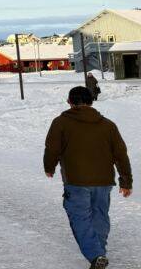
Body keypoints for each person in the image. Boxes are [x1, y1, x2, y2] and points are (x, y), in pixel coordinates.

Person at [44, 86, 132, 269]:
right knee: (100, 216)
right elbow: (121, 154)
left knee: (80, 217)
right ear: (92, 102)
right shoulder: (108, 125)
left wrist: (49, 167)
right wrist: (126, 181)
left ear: (69, 102)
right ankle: (99, 252)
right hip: (104, 181)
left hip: (76, 182)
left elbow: (52, 148)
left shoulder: (61, 122)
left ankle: (96, 255)